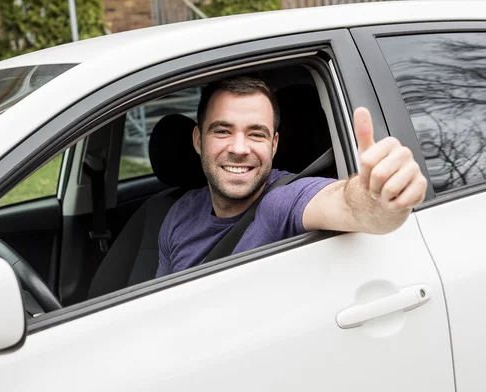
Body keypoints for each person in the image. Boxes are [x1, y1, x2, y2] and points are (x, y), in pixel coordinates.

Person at [155, 76, 427, 278]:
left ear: (273, 145)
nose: (239, 148)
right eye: (223, 131)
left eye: (256, 134)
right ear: (198, 140)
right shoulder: (179, 215)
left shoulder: (282, 202)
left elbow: (348, 204)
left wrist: (381, 196)